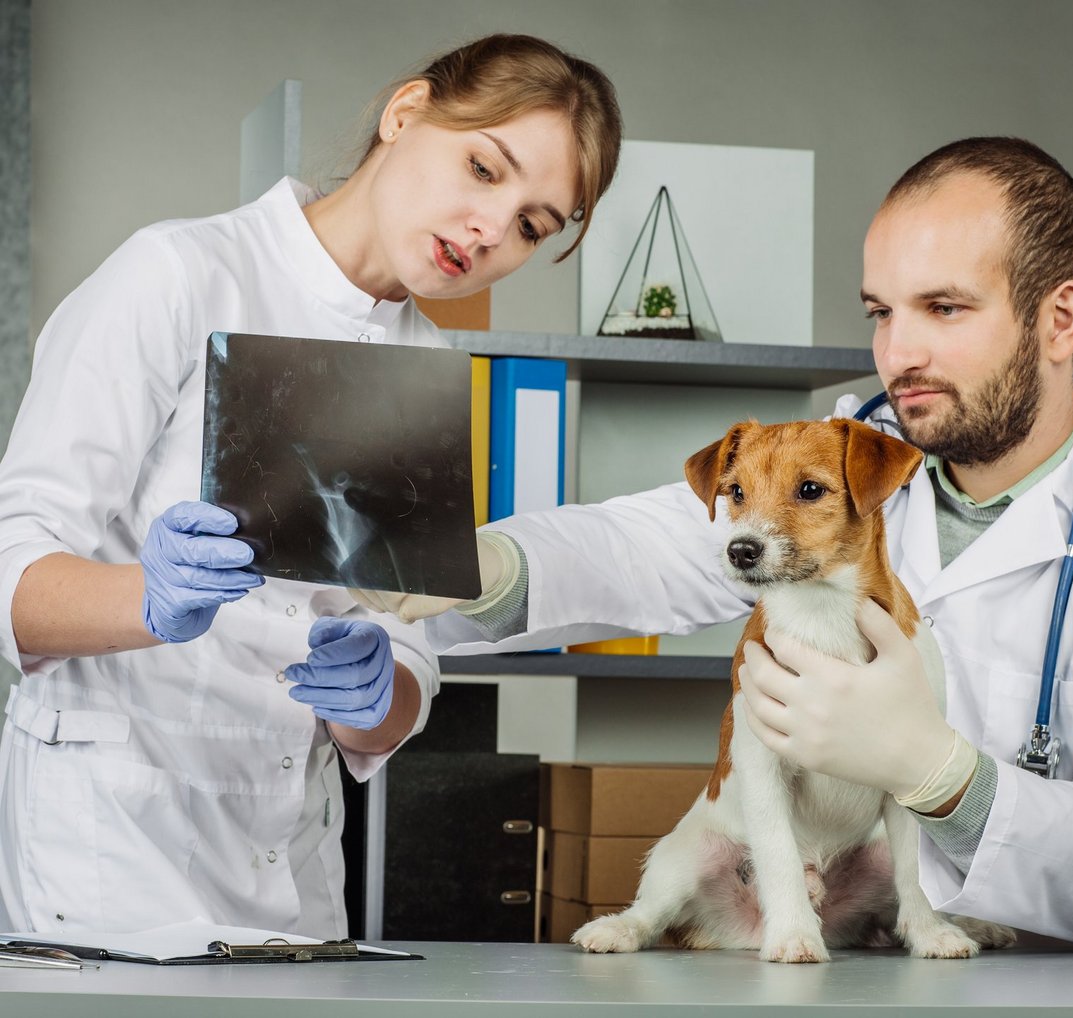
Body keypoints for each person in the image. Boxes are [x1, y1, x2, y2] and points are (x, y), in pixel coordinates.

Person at [381, 137, 1073, 951]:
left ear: (1060, 318)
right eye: (882, 311)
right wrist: (480, 565)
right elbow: (636, 545)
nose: (898, 353)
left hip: (1043, 985)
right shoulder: (834, 455)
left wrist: (939, 773)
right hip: (827, 966)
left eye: (944, 307)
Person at [0, 33, 622, 938]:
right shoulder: (178, 274)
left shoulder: (427, 369)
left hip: (289, 852)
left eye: (532, 225)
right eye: (484, 168)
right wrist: (150, 598)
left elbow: (407, 638)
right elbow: (8, 567)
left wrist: (380, 699)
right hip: (112, 840)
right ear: (405, 113)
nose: (494, 229)